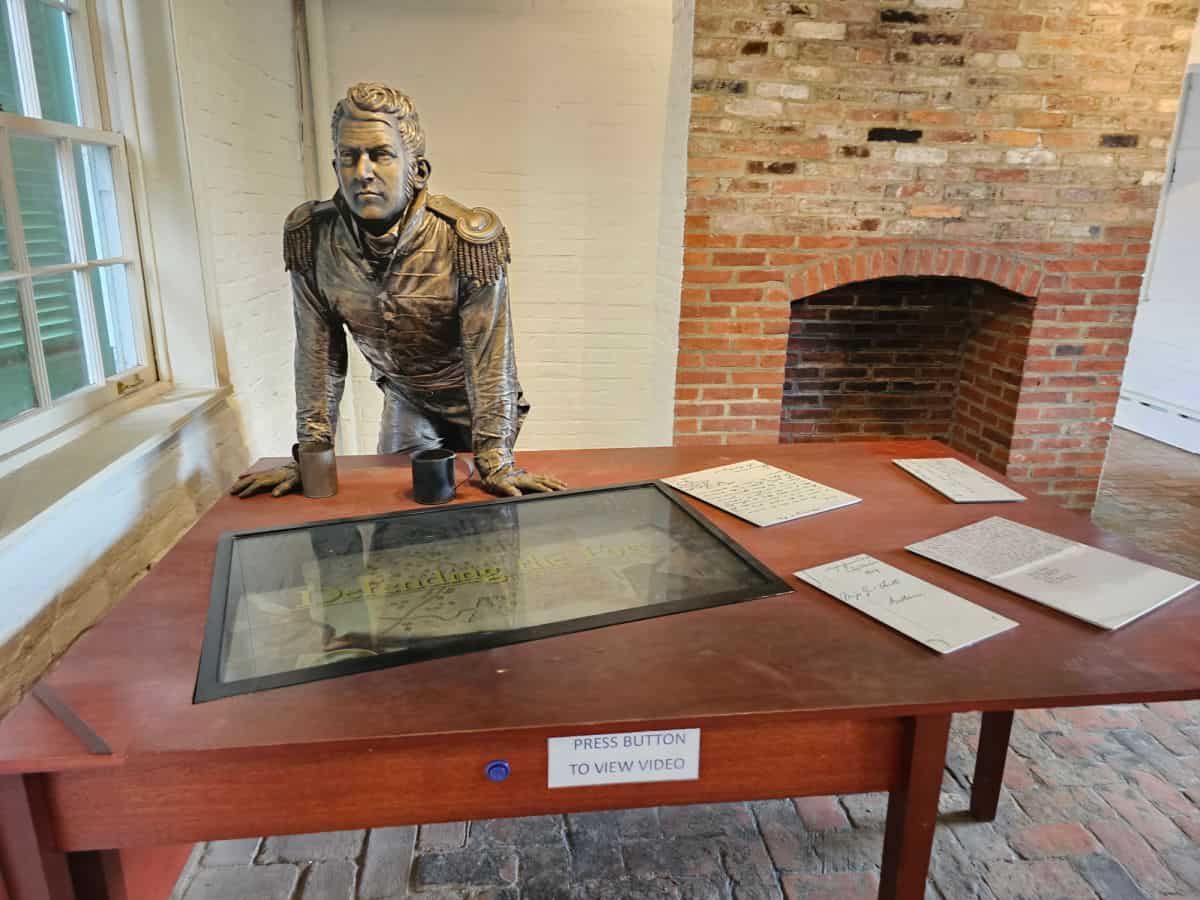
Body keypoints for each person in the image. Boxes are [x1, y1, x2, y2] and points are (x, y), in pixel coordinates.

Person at [231, 82, 564, 499]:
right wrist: (312, 456)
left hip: (473, 399)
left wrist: (496, 456)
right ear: (335, 166)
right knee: (400, 509)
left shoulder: (464, 240)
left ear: (417, 169)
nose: (363, 172)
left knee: (481, 512)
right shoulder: (314, 239)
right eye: (349, 157)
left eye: (381, 154)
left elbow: (490, 358)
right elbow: (319, 355)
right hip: (407, 397)